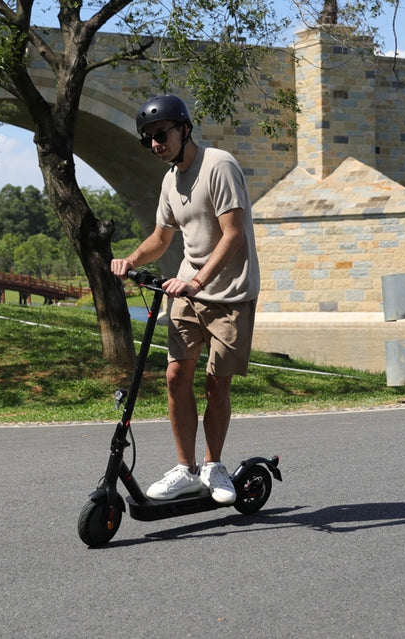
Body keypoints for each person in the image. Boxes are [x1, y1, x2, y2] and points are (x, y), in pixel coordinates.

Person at [110, 95, 260, 505]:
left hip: (230, 293)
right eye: (148, 140)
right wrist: (131, 259)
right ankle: (185, 468)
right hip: (186, 290)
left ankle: (213, 466)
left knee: (216, 383)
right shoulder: (169, 181)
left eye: (161, 135)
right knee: (176, 376)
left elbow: (234, 235)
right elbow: (162, 238)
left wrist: (197, 282)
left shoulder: (219, 165)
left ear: (184, 129)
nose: (156, 144)